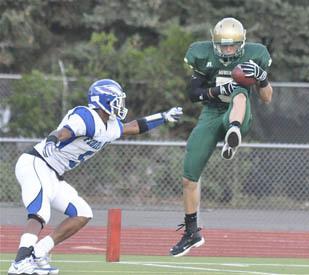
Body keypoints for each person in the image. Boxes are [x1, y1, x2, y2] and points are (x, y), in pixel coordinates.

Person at [7, 79, 183, 275]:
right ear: (104, 101)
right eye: (116, 100)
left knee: (83, 212)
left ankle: (39, 252)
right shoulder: (86, 116)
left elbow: (134, 126)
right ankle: (20, 262)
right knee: (40, 213)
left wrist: (163, 117)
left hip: (54, 173)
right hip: (37, 163)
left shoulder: (111, 125)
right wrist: (52, 139)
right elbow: (65, 131)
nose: (120, 105)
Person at [169, 17, 273, 257]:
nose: (228, 50)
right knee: (189, 176)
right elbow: (193, 94)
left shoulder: (255, 55)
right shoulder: (202, 54)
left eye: (232, 45)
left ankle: (233, 131)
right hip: (212, 112)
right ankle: (192, 232)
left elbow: (267, 98)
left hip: (238, 110)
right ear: (214, 43)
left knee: (239, 92)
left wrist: (262, 77)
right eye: (223, 45)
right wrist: (216, 90)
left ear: (242, 43)